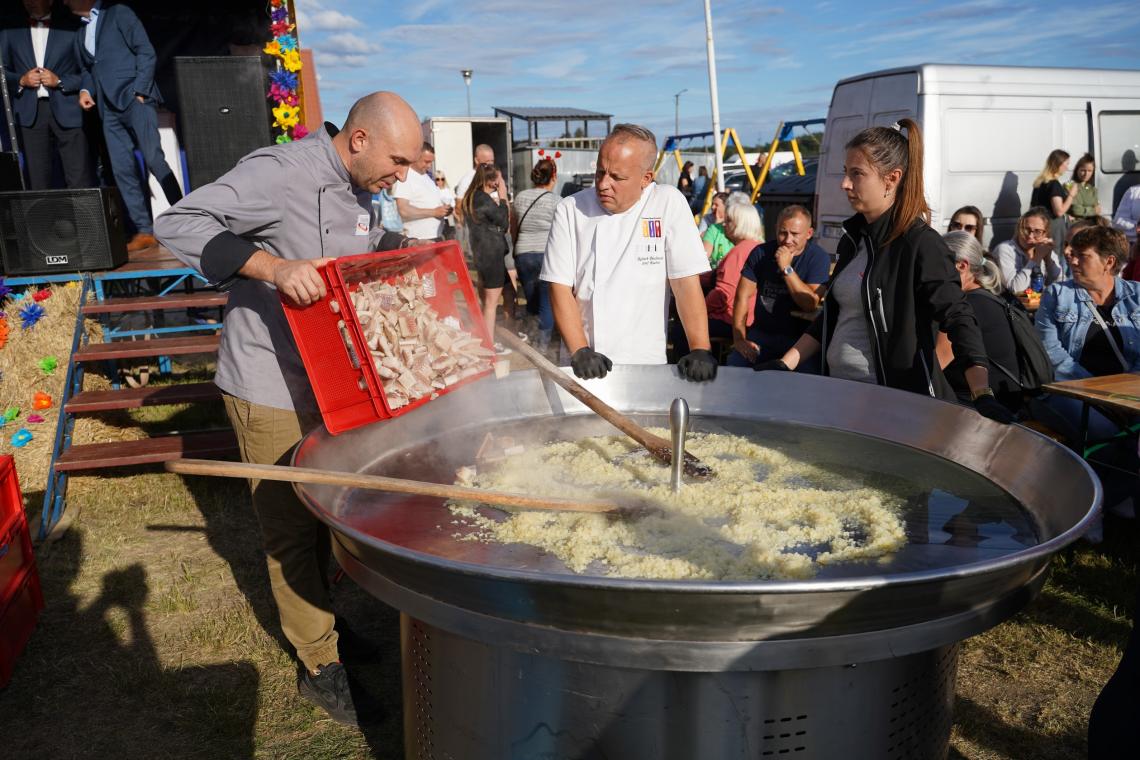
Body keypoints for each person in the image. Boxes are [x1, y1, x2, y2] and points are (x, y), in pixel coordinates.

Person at [155, 92, 424, 728]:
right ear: (359, 139)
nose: (403, 176)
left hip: (329, 381)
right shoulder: (280, 172)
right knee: (289, 528)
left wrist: (398, 251)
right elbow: (177, 223)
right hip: (269, 382)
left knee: (329, 509)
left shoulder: (360, 186)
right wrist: (273, 268)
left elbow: (346, 248)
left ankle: (325, 621)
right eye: (397, 161)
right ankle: (319, 665)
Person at [754, 119, 1014, 424]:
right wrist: (786, 364)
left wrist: (981, 392)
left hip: (893, 404)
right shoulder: (854, 240)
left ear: (891, 179)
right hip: (841, 392)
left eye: (857, 174)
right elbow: (834, 316)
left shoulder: (920, 244)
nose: (845, 183)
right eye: (846, 172)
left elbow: (958, 317)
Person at [540, 123, 716, 381]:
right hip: (586, 360)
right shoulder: (570, 209)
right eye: (600, 172)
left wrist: (700, 348)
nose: (603, 184)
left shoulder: (668, 203)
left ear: (646, 178)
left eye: (617, 177)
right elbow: (559, 286)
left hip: (644, 359)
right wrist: (580, 349)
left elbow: (685, 284)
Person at [64, 0, 182, 252]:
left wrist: (141, 89)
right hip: (108, 109)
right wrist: (85, 90)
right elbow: (88, 70)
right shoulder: (80, 32)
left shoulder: (118, 13)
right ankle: (144, 230)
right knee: (122, 169)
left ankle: (187, 219)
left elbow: (145, 51)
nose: (64, 1)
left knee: (154, 159)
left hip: (135, 98)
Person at [1034, 226, 1140, 440]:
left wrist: (1125, 391)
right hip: (1071, 390)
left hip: (1128, 393)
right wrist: (1099, 392)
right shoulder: (1058, 295)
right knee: (1105, 431)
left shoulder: (1136, 295)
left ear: (1109, 262)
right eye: (1073, 254)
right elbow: (1050, 352)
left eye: (1082, 256)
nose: (1072, 261)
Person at [0, 0, 93, 189]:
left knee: (78, 176)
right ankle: (43, 210)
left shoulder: (71, 29)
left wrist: (60, 81)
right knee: (38, 180)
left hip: (68, 108)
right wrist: (21, 80)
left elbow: (87, 71)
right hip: (30, 113)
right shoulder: (10, 32)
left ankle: (82, 209)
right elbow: (2, 72)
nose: (30, 3)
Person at [729, 205, 830, 368]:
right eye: (783, 232)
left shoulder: (818, 258)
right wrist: (739, 339)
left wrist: (786, 268)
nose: (787, 240)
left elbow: (809, 304)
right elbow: (742, 297)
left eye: (795, 234)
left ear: (809, 233)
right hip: (762, 335)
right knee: (735, 365)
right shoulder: (761, 253)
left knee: (808, 376)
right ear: (776, 229)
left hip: (801, 341)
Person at [934, 231, 1024, 413]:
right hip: (1005, 400)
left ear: (961, 266)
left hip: (987, 407)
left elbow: (935, 364)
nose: (930, 273)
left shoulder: (964, 308)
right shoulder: (986, 297)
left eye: (937, 265)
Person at [673, 198, 763, 356]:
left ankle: (687, 367)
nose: (724, 224)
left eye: (729, 221)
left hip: (730, 320)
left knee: (683, 328)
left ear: (739, 224)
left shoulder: (739, 252)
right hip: (749, 320)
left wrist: (698, 310)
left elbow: (723, 294)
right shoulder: (757, 248)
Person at [460, 162, 511, 345]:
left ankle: (488, 336)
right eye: (499, 179)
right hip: (491, 254)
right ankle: (489, 345)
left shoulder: (471, 197)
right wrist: (503, 197)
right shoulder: (482, 198)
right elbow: (504, 222)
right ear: (491, 181)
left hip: (481, 253)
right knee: (491, 304)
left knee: (493, 297)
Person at [511, 157, 559, 348]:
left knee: (531, 299)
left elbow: (513, 228)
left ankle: (531, 335)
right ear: (553, 176)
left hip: (523, 253)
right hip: (547, 254)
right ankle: (543, 345)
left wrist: (515, 251)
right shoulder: (557, 201)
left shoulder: (520, 197)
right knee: (547, 302)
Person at [992, 207, 1064, 294]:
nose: (1030, 236)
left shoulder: (1044, 248)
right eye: (1026, 229)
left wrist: (1048, 259)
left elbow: (1062, 282)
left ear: (1045, 234)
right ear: (1019, 228)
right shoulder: (1005, 249)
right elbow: (1015, 289)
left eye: (1037, 231)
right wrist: (1037, 258)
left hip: (1038, 300)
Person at [391, 141, 450, 241]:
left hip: (435, 236)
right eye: (426, 162)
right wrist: (434, 212)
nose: (429, 166)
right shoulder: (406, 177)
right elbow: (404, 210)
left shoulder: (426, 176)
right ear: (415, 157)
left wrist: (444, 210)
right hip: (419, 240)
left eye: (431, 162)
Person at [1031, 148, 1080, 220]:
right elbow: (1059, 212)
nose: (1067, 168)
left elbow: (1045, 208)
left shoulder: (1039, 182)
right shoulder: (1054, 184)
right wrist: (1071, 195)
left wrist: (1067, 217)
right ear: (1058, 164)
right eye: (1067, 164)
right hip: (1051, 225)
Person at [701, 191, 735, 266]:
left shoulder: (734, 223)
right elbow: (700, 236)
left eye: (716, 205)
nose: (713, 207)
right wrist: (716, 225)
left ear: (725, 207)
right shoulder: (707, 218)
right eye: (712, 204)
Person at [1068, 152, 1102, 221]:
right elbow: (1076, 210)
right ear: (1077, 170)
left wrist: (1086, 211)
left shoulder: (1093, 189)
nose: (1086, 174)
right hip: (1075, 225)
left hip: (1091, 225)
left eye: (1089, 171)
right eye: (1083, 170)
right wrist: (1093, 211)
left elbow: (1098, 210)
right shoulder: (1069, 185)